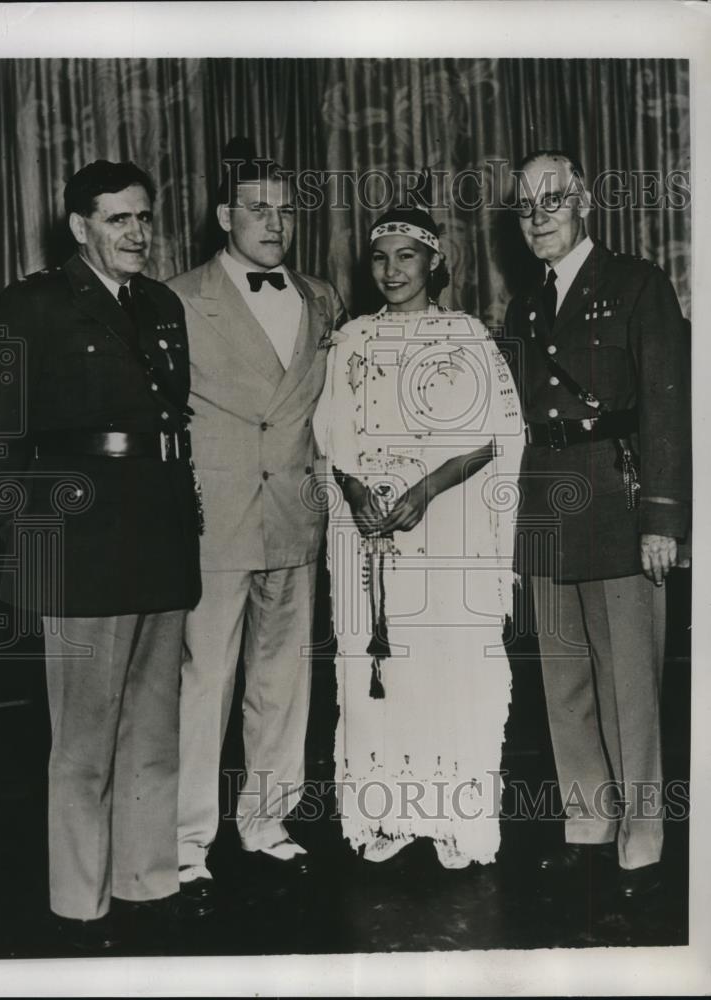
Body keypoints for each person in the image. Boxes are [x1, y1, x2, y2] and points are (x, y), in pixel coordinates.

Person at [0, 160, 202, 950]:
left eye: (143, 216)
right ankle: (79, 903)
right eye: (117, 220)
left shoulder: (163, 303)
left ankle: (148, 883)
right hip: (79, 546)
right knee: (82, 744)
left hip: (161, 537)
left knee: (153, 732)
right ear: (80, 227)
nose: (137, 232)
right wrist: (28, 544)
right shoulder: (31, 304)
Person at [504, 149, 691, 898]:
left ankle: (642, 841)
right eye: (525, 205)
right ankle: (588, 824)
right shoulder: (525, 306)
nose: (538, 216)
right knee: (565, 681)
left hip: (618, 502)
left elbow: (668, 410)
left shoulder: (636, 284)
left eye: (552, 199)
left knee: (630, 687)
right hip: (548, 504)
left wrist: (664, 519)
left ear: (582, 199)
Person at [315, 207, 524, 868]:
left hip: (446, 525)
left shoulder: (466, 335)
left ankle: (454, 823)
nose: (392, 271)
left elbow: (498, 436)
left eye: (408, 257)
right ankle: (387, 817)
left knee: (445, 666)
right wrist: (353, 494)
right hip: (369, 533)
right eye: (381, 258)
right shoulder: (349, 338)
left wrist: (425, 490)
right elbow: (330, 436)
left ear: (436, 263)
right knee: (378, 669)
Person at [167, 139, 345, 907]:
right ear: (223, 217)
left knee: (284, 679)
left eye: (286, 208)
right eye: (258, 208)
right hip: (216, 520)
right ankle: (184, 841)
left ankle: (267, 822)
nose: (275, 222)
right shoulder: (176, 297)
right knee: (203, 681)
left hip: (294, 519)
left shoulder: (321, 297)